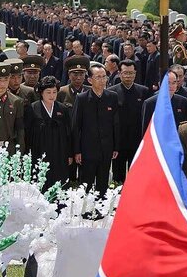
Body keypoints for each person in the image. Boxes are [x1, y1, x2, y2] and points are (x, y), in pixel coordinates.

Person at [71, 63, 120, 194]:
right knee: (85, 184)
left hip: (106, 148)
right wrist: (77, 150)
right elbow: (76, 126)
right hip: (87, 150)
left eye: (104, 77)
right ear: (90, 80)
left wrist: (115, 146)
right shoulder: (82, 99)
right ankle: (85, 211)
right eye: (98, 77)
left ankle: (101, 211)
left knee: (103, 183)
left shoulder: (112, 97)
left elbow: (115, 123)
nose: (102, 80)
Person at [24, 75, 72, 190]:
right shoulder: (33, 108)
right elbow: (27, 132)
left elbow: (69, 133)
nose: (52, 95)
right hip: (39, 150)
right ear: (41, 93)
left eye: (54, 92)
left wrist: (69, 154)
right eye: (48, 92)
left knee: (60, 181)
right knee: (41, 180)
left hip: (59, 151)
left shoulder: (62, 109)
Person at [107, 59, 150, 183]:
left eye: (131, 73)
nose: (128, 76)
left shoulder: (143, 91)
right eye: (125, 73)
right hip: (118, 141)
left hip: (136, 139)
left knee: (136, 175)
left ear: (135, 74)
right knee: (118, 176)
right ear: (120, 73)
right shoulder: (112, 92)